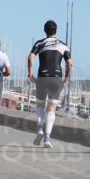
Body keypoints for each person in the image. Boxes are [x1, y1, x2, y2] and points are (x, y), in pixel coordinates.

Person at [27, 20, 72, 149]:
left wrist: (30, 74)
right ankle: (47, 137)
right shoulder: (63, 45)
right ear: (56, 30)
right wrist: (66, 78)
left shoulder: (40, 43)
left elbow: (30, 57)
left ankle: (40, 129)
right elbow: (69, 63)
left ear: (45, 30)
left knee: (40, 105)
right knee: (51, 109)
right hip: (56, 78)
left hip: (42, 77)